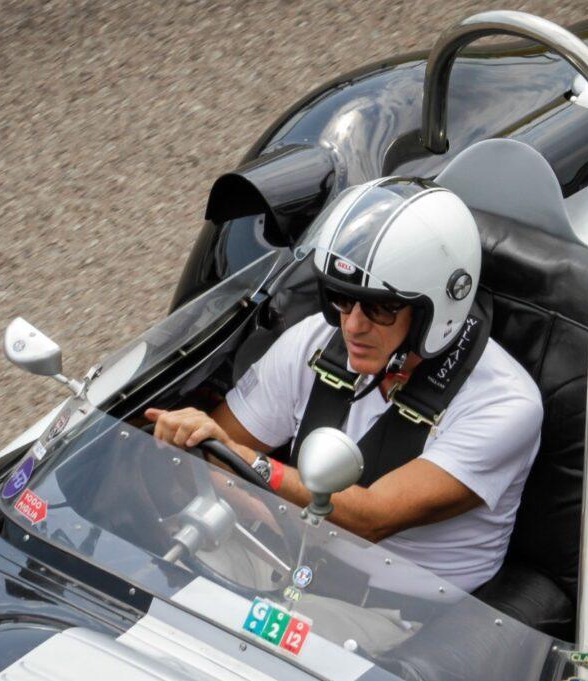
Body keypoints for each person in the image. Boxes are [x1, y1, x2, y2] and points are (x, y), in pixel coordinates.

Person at [146, 177, 542, 593]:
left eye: (378, 308)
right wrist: (196, 440)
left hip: (395, 612)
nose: (352, 325)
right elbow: (221, 449)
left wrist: (250, 465)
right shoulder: (316, 340)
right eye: (343, 298)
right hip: (288, 557)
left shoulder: (505, 404)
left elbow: (373, 518)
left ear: (435, 309)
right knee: (150, 575)